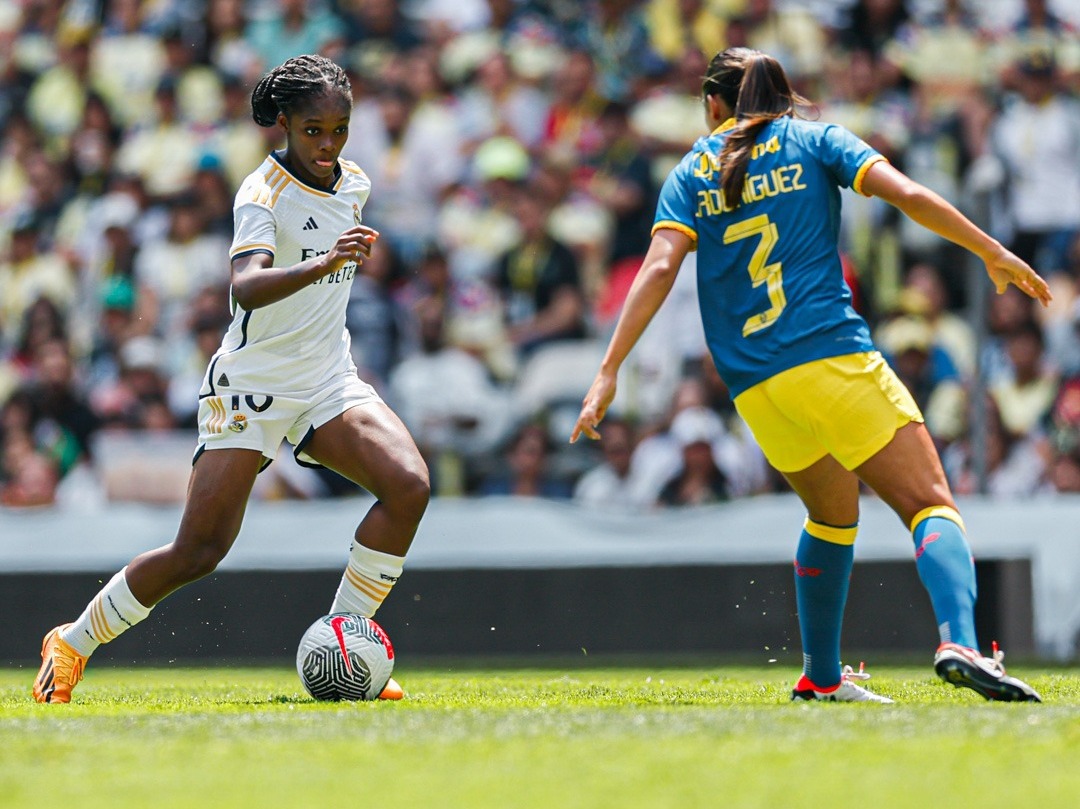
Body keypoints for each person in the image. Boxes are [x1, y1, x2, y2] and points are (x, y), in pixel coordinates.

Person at [571, 48, 1049, 704]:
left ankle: (821, 676)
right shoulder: (815, 137)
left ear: (713, 106)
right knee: (931, 501)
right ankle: (962, 641)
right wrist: (991, 251)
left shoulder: (690, 172)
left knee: (831, 512)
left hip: (758, 389)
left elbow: (657, 268)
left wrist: (607, 370)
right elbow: (906, 193)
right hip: (830, 357)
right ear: (781, 95)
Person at [32, 55, 430, 704]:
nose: (327, 145)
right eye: (313, 131)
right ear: (282, 124)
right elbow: (245, 287)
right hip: (253, 385)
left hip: (328, 375)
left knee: (409, 485)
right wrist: (325, 261)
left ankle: (343, 642)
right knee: (200, 549)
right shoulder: (260, 194)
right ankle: (72, 641)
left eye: (339, 129)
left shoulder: (353, 185)